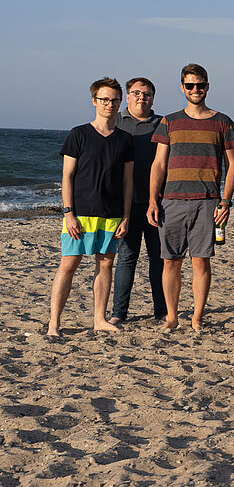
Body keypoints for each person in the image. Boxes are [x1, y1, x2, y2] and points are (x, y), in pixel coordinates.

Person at [148, 64, 234, 332]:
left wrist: (226, 201)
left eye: (200, 85)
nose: (195, 90)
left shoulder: (223, 121)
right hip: (171, 201)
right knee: (171, 261)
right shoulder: (169, 121)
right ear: (182, 88)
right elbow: (158, 165)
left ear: (208, 86)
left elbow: (232, 165)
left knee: (201, 261)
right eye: (190, 85)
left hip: (207, 201)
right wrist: (153, 200)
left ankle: (197, 318)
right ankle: (172, 317)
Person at [47, 78, 133, 338]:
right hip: (80, 213)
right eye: (104, 99)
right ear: (94, 101)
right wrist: (68, 212)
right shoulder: (79, 134)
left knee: (105, 264)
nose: (110, 104)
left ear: (120, 103)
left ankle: (99, 319)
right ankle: (54, 323)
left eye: (115, 100)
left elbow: (128, 181)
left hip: (111, 213)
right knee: (68, 265)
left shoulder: (125, 139)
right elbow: (67, 176)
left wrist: (126, 216)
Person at [110, 77, 166, 323]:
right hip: (125, 205)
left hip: (158, 203)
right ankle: (119, 313)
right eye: (136, 93)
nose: (142, 97)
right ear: (127, 96)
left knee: (159, 260)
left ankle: (162, 311)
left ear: (153, 98)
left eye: (147, 94)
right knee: (126, 258)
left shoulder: (163, 124)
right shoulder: (115, 122)